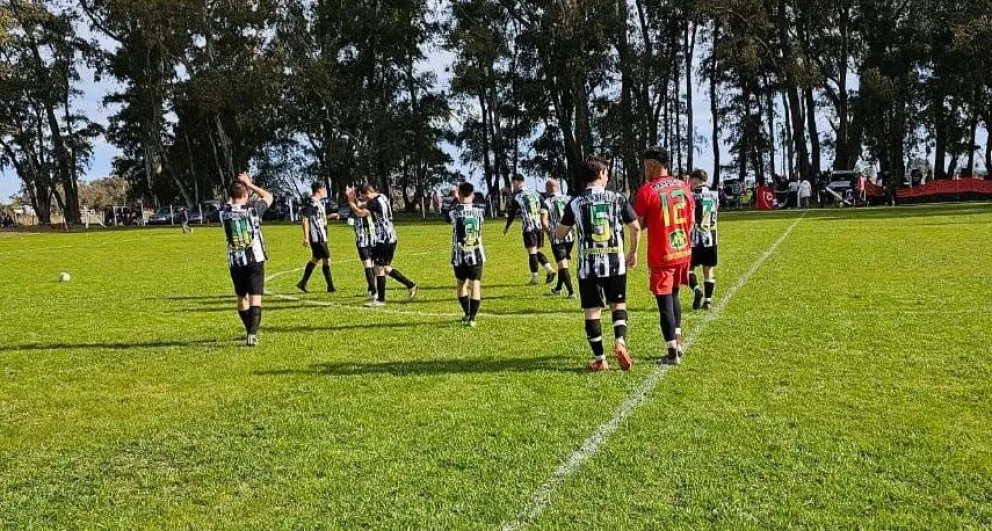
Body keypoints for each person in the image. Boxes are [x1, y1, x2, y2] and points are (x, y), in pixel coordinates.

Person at [555, 157, 641, 372]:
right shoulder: (618, 198)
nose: (608, 176)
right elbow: (636, 228)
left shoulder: (575, 202)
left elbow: (560, 233)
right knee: (618, 305)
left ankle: (600, 359)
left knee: (592, 311)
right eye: (606, 172)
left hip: (588, 265)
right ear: (601, 174)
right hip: (615, 262)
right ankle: (620, 342)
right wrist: (632, 253)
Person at [633, 146, 695, 366]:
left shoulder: (647, 190)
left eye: (645, 166)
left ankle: (671, 353)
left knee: (664, 303)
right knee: (675, 294)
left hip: (662, 254)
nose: (644, 170)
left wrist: (632, 251)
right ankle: (677, 340)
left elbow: (637, 225)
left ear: (651, 165)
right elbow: (692, 219)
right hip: (683, 251)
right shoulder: (683, 186)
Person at [220, 172, 274, 347]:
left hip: (235, 261)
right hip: (254, 259)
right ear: (246, 194)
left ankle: (248, 331)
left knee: (242, 298)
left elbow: (231, 200)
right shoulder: (253, 210)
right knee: (255, 298)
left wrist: (236, 187)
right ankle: (252, 333)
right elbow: (268, 196)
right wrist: (249, 184)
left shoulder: (223, 213)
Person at [346, 183, 418, 307]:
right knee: (384, 268)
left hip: (383, 239)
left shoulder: (373, 202)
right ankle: (410, 285)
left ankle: (380, 300)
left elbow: (359, 213)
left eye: (364, 196)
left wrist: (350, 200)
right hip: (392, 237)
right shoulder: (382, 197)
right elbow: (364, 205)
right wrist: (356, 200)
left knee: (378, 268)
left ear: (367, 192)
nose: (364, 199)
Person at [504, 174, 556, 285]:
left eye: (513, 183)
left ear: (518, 182)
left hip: (528, 227)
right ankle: (549, 270)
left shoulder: (518, 196)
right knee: (535, 251)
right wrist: (544, 219)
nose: (513, 186)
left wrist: (507, 226)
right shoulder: (535, 192)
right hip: (539, 227)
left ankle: (535, 278)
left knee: (532, 253)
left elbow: (512, 213)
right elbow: (545, 206)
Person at [449, 182, 486, 327]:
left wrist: (456, 198)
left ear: (459, 193)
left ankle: (467, 312)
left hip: (459, 254)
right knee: (475, 284)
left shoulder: (454, 211)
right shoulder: (480, 210)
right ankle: (473, 318)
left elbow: (448, 217)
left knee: (461, 284)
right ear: (473, 194)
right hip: (476, 252)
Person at [297, 182, 340, 293]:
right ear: (319, 190)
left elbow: (320, 219)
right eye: (324, 189)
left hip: (321, 236)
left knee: (316, 258)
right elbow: (305, 219)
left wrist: (332, 216)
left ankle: (303, 282)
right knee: (327, 260)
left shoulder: (318, 203)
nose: (325, 191)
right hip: (317, 237)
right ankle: (330, 287)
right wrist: (306, 237)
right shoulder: (311, 202)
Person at [686, 169, 719, 311]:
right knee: (708, 270)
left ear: (695, 180)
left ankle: (697, 289)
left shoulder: (691, 195)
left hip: (694, 238)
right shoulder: (714, 195)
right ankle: (708, 301)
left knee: (688, 268)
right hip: (711, 237)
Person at [542, 179, 576, 299]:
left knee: (562, 265)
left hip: (557, 237)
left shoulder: (547, 202)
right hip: (571, 236)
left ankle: (571, 292)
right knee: (563, 263)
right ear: (558, 187)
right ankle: (558, 288)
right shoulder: (569, 199)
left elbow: (544, 222)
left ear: (547, 189)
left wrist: (549, 233)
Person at [351, 203, 378, 300]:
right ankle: (373, 290)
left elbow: (361, 214)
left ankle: (372, 288)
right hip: (362, 241)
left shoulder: (369, 209)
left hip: (372, 240)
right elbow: (350, 222)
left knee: (372, 264)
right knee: (367, 265)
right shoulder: (354, 211)